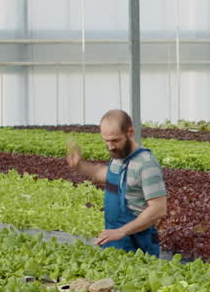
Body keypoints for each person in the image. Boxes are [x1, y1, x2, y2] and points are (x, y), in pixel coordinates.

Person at [65, 109, 168, 257]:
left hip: (138, 245)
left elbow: (158, 209)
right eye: (106, 141)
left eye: (115, 140)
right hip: (114, 240)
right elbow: (104, 175)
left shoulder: (146, 163)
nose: (110, 146)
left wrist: (121, 231)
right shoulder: (118, 158)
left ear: (130, 132)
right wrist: (79, 166)